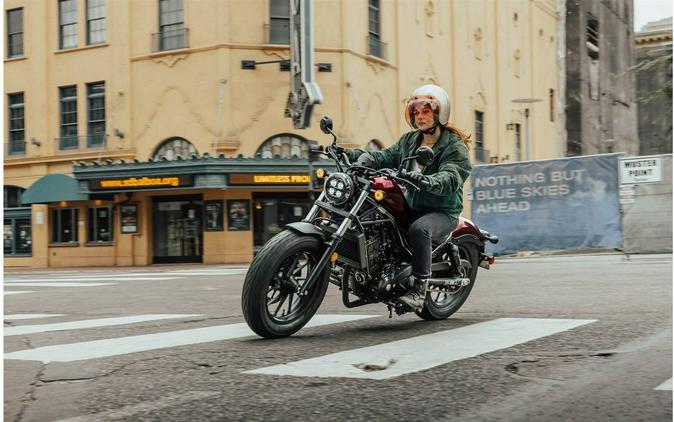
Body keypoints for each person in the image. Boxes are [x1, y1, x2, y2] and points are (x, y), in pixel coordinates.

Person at [347, 84, 472, 310]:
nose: (420, 117)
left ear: (438, 113)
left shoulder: (455, 147)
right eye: (416, 113)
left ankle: (419, 290)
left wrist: (426, 180)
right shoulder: (410, 141)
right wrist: (354, 156)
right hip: (413, 205)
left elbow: (451, 177)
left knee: (419, 229)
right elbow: (385, 156)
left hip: (441, 211)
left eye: (425, 111)